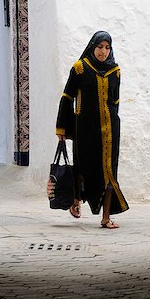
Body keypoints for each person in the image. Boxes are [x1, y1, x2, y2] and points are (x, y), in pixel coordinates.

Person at [56, 30, 129, 229]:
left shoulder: (115, 71)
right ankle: (76, 201)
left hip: (109, 131)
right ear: (92, 47)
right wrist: (63, 128)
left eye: (107, 48)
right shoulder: (80, 68)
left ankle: (105, 217)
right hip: (85, 129)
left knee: (109, 171)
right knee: (83, 167)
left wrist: (113, 123)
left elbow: (115, 102)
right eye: (99, 47)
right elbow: (67, 98)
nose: (103, 52)